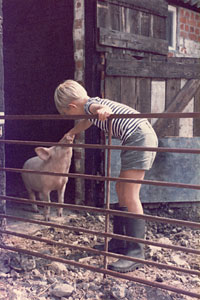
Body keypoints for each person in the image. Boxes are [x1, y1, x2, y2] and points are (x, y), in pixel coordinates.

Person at [54, 79, 158, 273]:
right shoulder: (88, 107)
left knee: (130, 193)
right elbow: (87, 120)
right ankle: (119, 240)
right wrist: (73, 132)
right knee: (121, 188)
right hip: (136, 137)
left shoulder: (91, 105)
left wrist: (102, 111)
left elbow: (98, 109)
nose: (71, 117)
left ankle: (136, 252)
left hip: (139, 137)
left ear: (72, 106)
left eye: (68, 114)